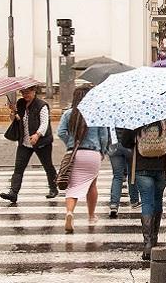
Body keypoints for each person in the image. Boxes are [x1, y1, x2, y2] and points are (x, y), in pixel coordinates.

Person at [122, 117, 166, 260]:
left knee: (147, 202)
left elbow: (125, 142)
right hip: (162, 166)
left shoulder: (136, 115)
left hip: (141, 166)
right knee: (158, 199)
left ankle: (148, 244)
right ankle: (154, 238)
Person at [57, 85, 109, 233]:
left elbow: (60, 132)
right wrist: (102, 152)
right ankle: (91, 215)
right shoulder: (97, 114)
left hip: (75, 154)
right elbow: (104, 136)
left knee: (72, 186)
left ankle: (69, 212)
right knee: (92, 185)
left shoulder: (69, 114)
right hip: (93, 154)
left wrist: (71, 143)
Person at [1, 86, 58, 203]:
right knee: (18, 168)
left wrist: (37, 135)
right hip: (25, 142)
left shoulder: (42, 105)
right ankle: (13, 192)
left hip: (41, 142)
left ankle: (53, 188)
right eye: (23, 92)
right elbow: (18, 119)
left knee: (48, 166)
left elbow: (44, 123)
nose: (25, 95)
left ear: (34, 91)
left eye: (27, 92)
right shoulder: (21, 103)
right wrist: (13, 111)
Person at [108, 128, 141, 218]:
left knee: (117, 176)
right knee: (132, 174)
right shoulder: (130, 114)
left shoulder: (109, 115)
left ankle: (114, 204)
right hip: (129, 146)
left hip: (113, 145)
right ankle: (134, 200)